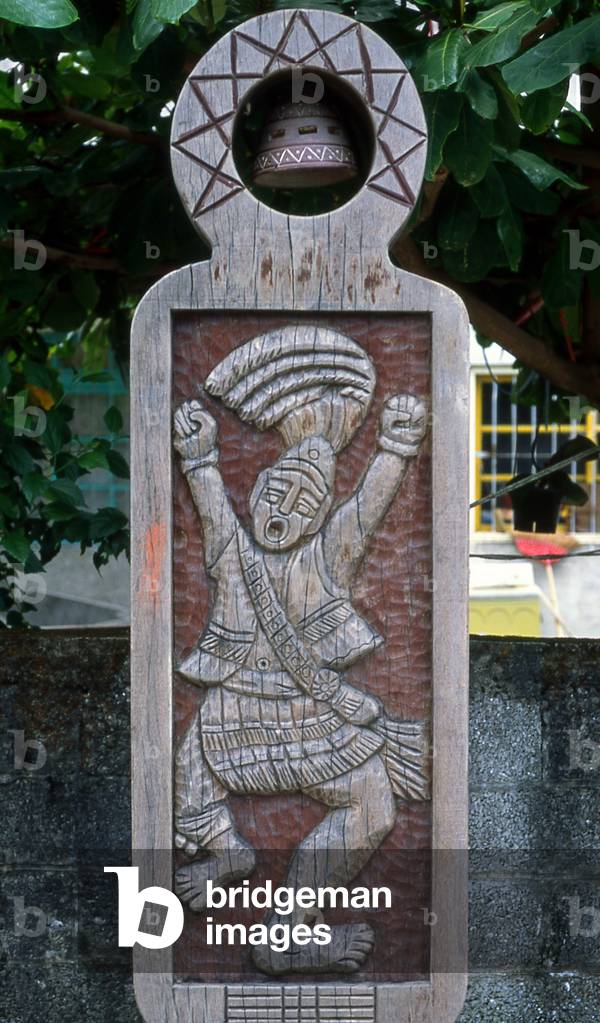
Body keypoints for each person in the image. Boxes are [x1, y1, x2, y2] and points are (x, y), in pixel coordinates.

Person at [173, 324, 429, 973]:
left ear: (319, 517)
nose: (283, 504)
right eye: (275, 490)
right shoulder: (233, 554)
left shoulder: (326, 556)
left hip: (290, 722)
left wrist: (395, 448)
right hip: (241, 723)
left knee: (373, 804)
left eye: (304, 500)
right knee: (186, 762)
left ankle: (279, 924)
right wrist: (199, 457)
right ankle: (234, 862)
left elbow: (364, 511)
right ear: (255, 492)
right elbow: (209, 505)